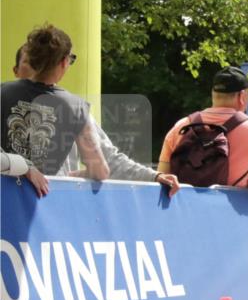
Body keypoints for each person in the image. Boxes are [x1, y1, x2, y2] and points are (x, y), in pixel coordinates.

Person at [13, 44, 179, 195]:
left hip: (53, 207)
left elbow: (109, 160)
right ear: (16, 70)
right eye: (32, 62)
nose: (39, 68)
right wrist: (22, 167)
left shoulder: (73, 110)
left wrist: (154, 177)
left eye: (43, 62)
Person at [2, 25, 109, 180]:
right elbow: (100, 171)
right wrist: (68, 175)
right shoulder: (76, 107)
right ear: (64, 62)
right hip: (45, 196)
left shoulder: (3, 92)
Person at [159, 66, 248, 190]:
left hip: (184, 207)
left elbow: (162, 177)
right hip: (228, 208)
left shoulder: (181, 126)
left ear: (213, 94)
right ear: (242, 96)